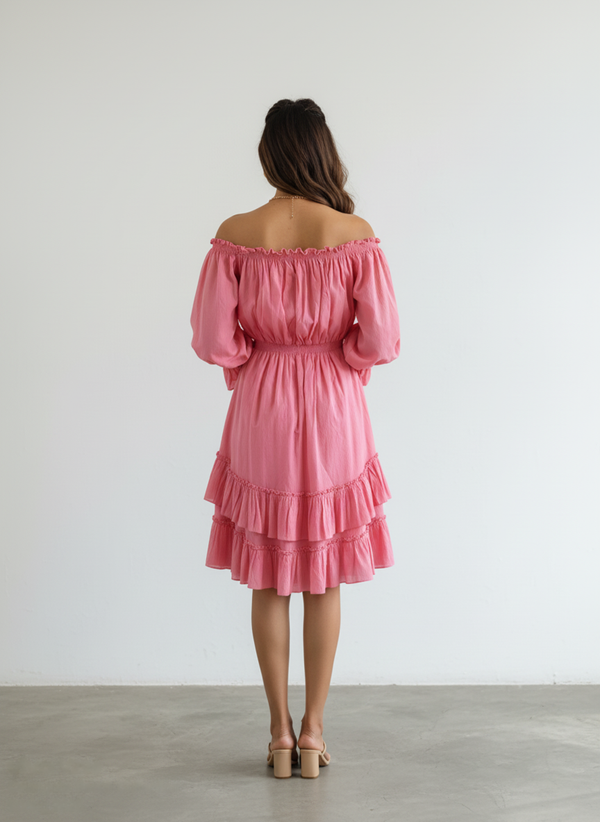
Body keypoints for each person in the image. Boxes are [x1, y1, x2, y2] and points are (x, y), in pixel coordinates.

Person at [190, 98, 400, 779]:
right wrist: (340, 356)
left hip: (262, 404)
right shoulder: (354, 234)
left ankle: (278, 734)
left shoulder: (235, 235)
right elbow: (381, 340)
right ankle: (313, 733)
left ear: (269, 155)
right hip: (335, 403)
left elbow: (213, 340)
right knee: (324, 574)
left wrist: (255, 356)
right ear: (322, 152)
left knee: (270, 576)